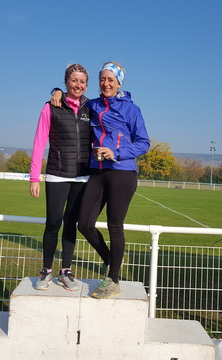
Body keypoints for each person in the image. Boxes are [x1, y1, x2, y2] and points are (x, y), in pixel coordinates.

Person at [55, 61, 150, 299]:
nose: (105, 83)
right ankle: (112, 260)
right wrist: (56, 92)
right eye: (102, 79)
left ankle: (113, 278)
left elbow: (143, 143)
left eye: (110, 80)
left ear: (119, 83)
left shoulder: (132, 109)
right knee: (84, 224)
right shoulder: (93, 105)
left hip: (122, 172)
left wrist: (115, 153)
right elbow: (73, 97)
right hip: (97, 172)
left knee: (114, 225)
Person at [30, 64, 91, 291]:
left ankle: (66, 271)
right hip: (56, 174)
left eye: (83, 81)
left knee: (71, 224)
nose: (78, 85)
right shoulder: (51, 106)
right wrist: (34, 178)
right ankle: (46, 271)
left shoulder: (90, 108)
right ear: (66, 82)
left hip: (82, 177)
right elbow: (39, 143)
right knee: (53, 223)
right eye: (74, 80)